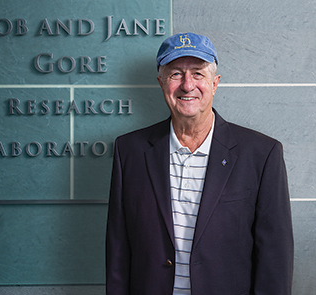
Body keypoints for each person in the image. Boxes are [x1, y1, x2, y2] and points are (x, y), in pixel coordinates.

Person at [106, 32, 294, 295]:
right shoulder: (130, 151)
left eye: (197, 73)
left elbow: (275, 257)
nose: (187, 85)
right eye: (175, 74)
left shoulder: (262, 154)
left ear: (215, 83)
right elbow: (118, 247)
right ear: (161, 83)